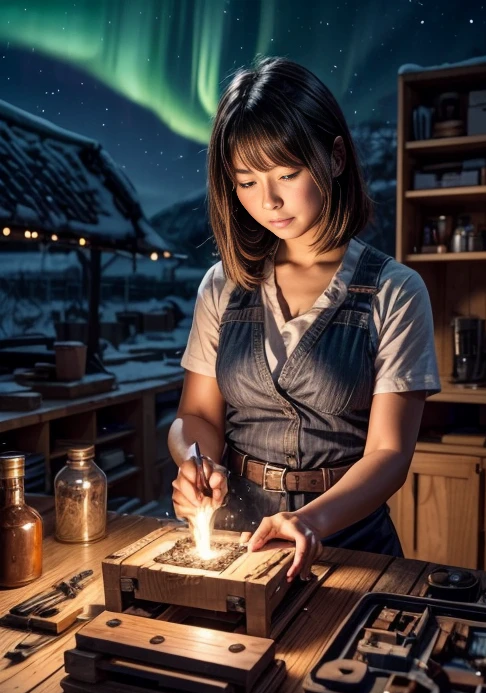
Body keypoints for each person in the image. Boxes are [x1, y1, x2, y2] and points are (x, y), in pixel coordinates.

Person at [168, 56, 440, 583]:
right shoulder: (222, 286)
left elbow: (389, 453)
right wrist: (194, 461)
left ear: (335, 157)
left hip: (350, 544)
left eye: (286, 174)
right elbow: (195, 414)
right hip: (233, 540)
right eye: (246, 181)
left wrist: (308, 519)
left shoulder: (395, 291)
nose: (267, 200)